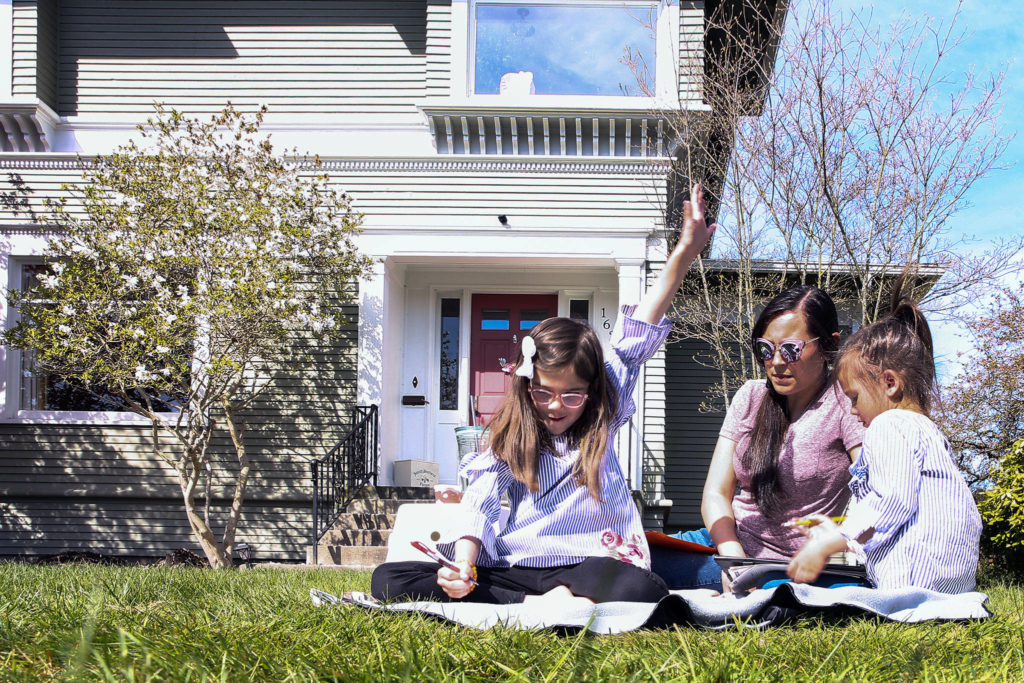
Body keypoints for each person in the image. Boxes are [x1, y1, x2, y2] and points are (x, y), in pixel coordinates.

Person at [370, 184, 716, 605]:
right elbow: (479, 498)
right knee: (389, 578)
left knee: (641, 588)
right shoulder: (509, 435)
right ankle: (545, 599)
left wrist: (683, 253)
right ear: (525, 384)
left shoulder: (603, 411)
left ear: (592, 391)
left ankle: (556, 597)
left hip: (590, 560)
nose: (556, 406)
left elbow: (636, 333)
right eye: (543, 392)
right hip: (517, 565)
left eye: (572, 395)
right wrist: (463, 564)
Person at [651, 285, 865, 591]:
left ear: (830, 345)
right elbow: (715, 493)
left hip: (785, 567)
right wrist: (731, 556)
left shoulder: (847, 405)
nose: (776, 362)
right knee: (621, 561)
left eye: (791, 349)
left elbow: (880, 497)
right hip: (725, 547)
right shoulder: (751, 396)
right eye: (765, 348)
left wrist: (833, 541)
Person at [786, 279, 981, 593]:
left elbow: (890, 502)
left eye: (853, 398)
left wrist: (829, 545)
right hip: (953, 582)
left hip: (914, 581)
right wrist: (838, 532)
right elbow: (907, 510)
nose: (852, 411)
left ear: (889, 383)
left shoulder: (888, 425)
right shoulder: (928, 431)